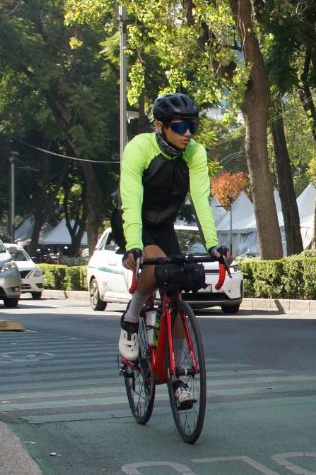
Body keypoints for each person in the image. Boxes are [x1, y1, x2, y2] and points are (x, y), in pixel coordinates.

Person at [118, 92, 232, 407]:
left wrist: (213, 244)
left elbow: (201, 201)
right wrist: (133, 245)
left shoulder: (195, 153)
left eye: (192, 125)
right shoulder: (140, 148)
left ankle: (179, 376)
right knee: (154, 264)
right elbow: (131, 199)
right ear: (160, 126)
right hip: (134, 221)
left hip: (164, 226)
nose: (187, 133)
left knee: (176, 293)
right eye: (180, 126)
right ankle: (131, 318)